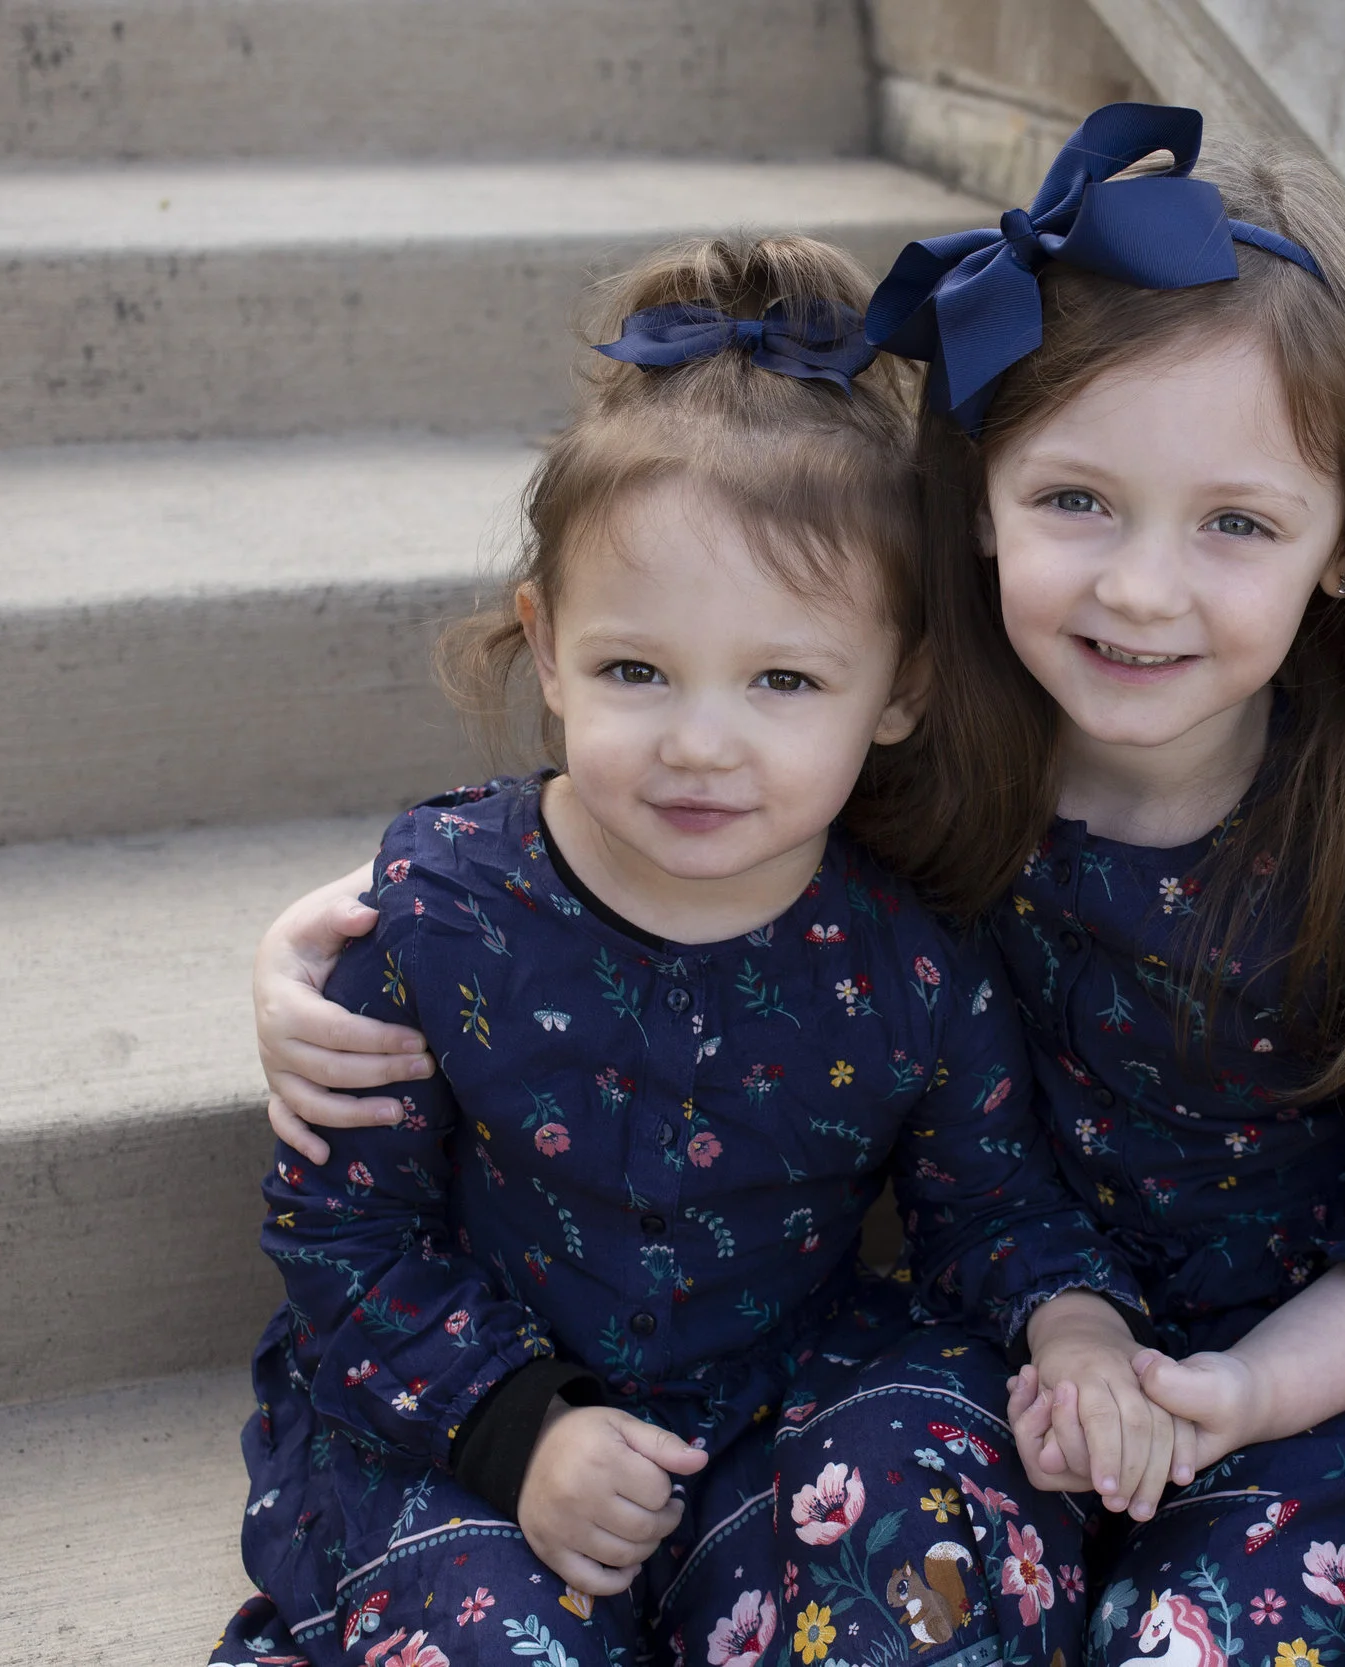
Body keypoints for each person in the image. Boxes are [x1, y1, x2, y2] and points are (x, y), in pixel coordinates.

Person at [255, 109, 1345, 1667]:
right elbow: (609, 851)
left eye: (1236, 522)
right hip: (992, 1359)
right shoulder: (906, 766)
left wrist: (1247, 1390)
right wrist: (312, 940)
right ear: (978, 499)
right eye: (1077, 498)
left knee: (1175, 1639)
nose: (1142, 586)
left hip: (1293, 1379)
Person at [209, 234, 1168, 1667]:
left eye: (783, 679)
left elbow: (992, 1211)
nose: (703, 741)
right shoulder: (438, 917)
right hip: (471, 1422)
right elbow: (343, 1231)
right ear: (546, 646)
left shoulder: (908, 964)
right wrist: (514, 1429)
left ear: (898, 686)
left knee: (929, 1548)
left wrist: (1078, 1328)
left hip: (779, 1405)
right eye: (635, 670)